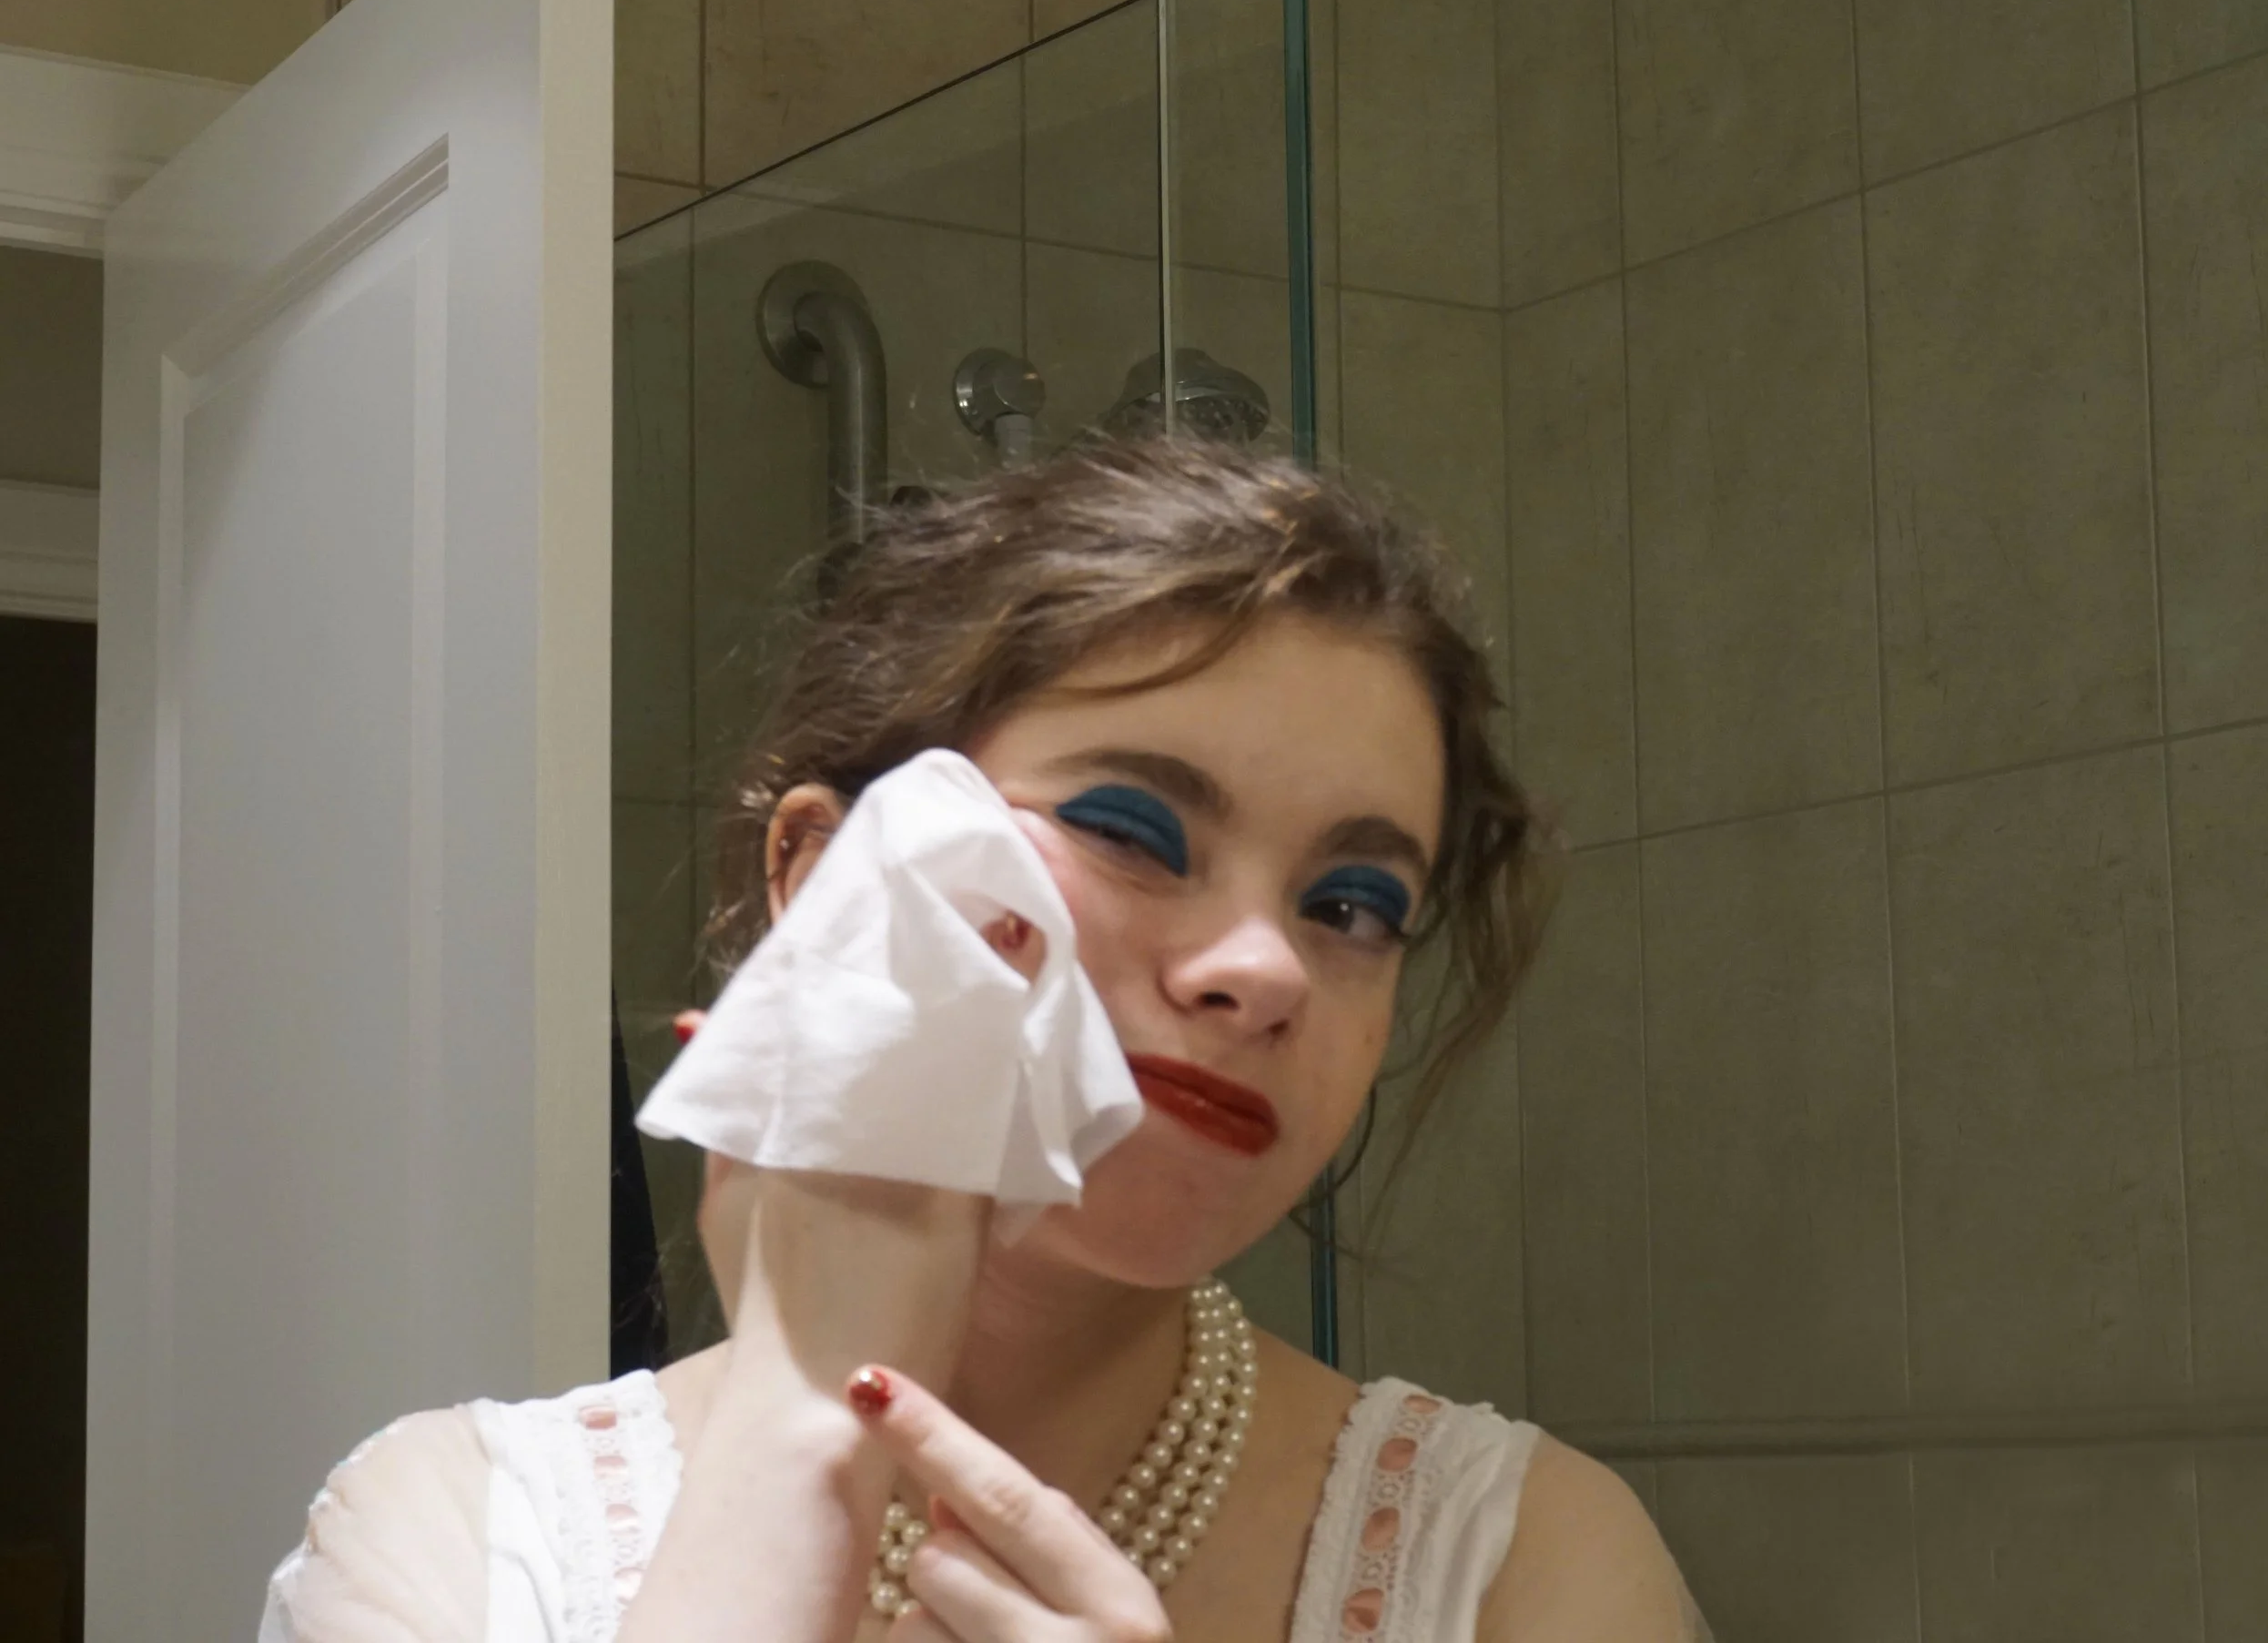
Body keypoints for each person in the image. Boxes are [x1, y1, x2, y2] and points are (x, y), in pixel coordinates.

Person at [260, 436, 1709, 1642]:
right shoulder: (453, 1542)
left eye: (1352, 905)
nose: (1265, 970)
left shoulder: (1527, 1569)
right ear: (827, 881)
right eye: (1132, 830)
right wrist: (796, 1429)